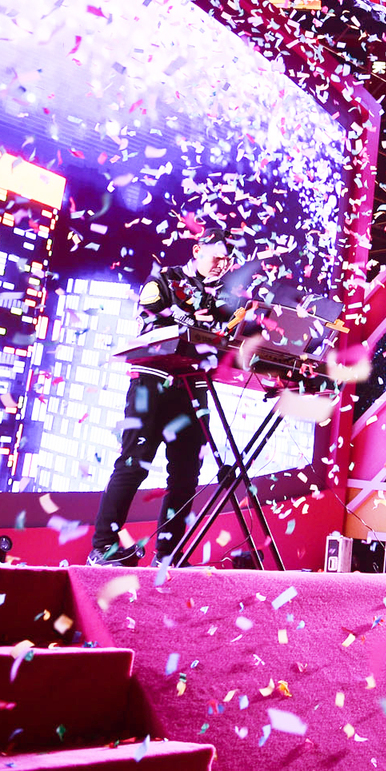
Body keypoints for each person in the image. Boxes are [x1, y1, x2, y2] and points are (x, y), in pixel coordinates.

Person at [89, 229, 235, 567]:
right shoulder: (164, 279)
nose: (221, 265)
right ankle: (103, 546)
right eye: (217, 257)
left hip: (193, 387)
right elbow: (153, 321)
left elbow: (230, 333)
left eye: (227, 261)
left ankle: (168, 554)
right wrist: (193, 320)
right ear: (197, 250)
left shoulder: (225, 296)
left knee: (186, 475)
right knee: (133, 463)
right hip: (150, 383)